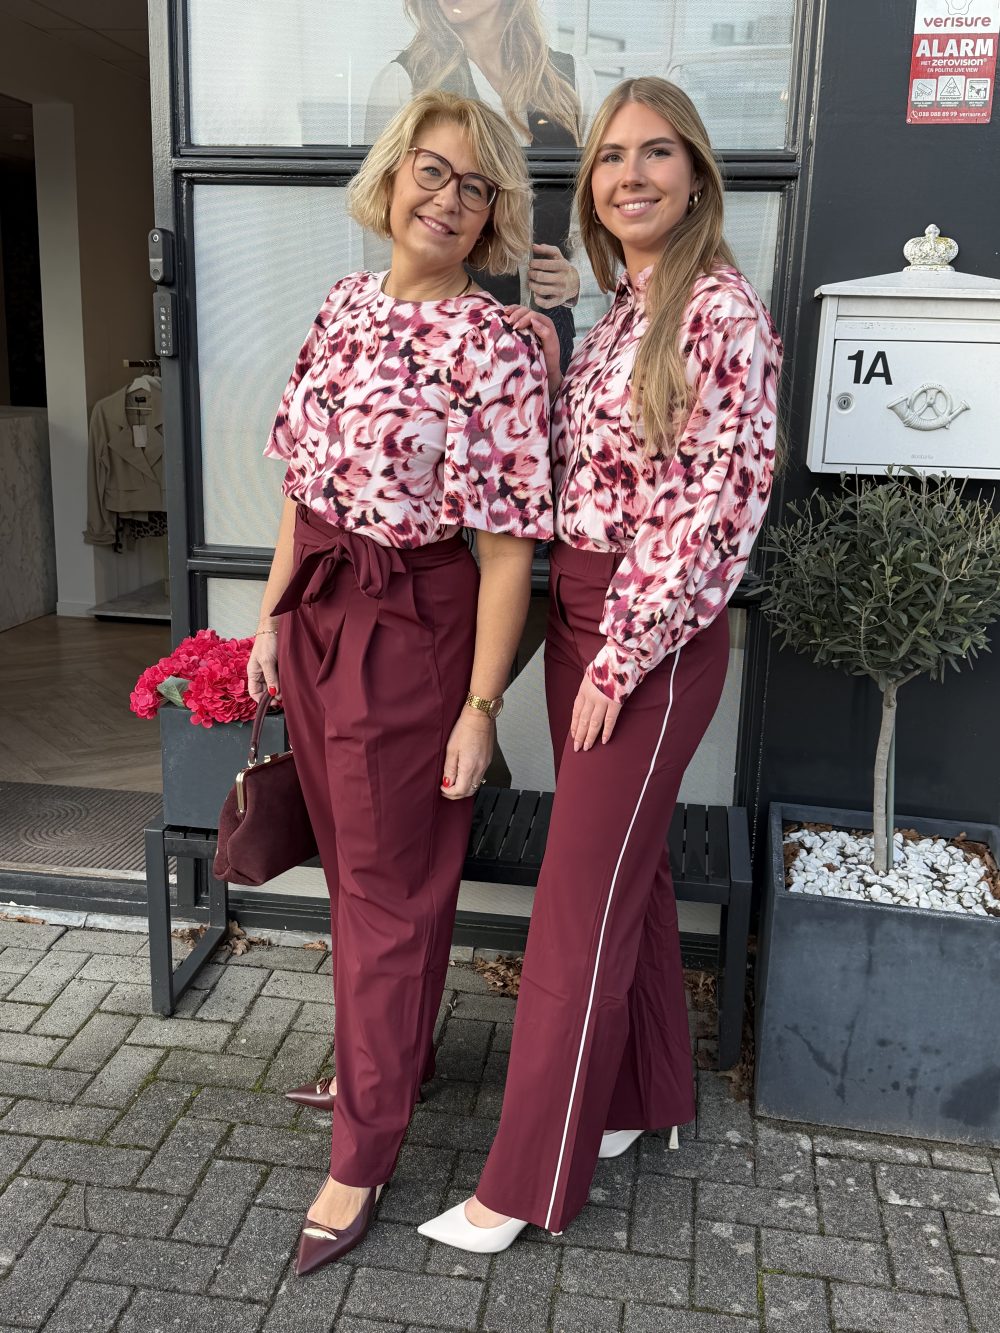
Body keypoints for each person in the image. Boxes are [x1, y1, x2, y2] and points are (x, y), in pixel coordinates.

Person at [419, 75, 783, 1252]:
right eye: (611, 157)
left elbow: (711, 512)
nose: (629, 173)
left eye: (656, 153)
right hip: (585, 617)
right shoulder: (628, 308)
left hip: (646, 639)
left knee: (574, 908)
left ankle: (524, 1184)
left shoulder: (720, 314)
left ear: (696, 176)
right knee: (628, 872)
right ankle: (643, 1096)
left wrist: (618, 657)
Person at [247, 89, 552, 1273]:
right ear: (393, 176)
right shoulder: (340, 305)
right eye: (434, 170)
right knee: (361, 875)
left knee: (387, 896)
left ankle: (363, 1152)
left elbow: (509, 548)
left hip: (410, 631)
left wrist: (480, 709)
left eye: (475, 188)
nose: (448, 198)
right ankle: (395, 1058)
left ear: (490, 218)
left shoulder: (498, 345)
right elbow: (298, 480)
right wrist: (273, 616)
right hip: (322, 615)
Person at [366, 0, 599, 370]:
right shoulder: (404, 80)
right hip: (443, 329)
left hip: (548, 333)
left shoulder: (570, 79)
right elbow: (382, 234)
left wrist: (576, 279)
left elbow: (590, 215)